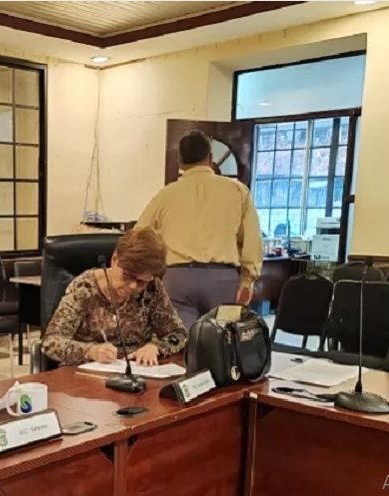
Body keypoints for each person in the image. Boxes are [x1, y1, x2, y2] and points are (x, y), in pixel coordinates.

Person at [136, 130, 263, 330]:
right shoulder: (238, 191)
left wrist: (150, 274)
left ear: (179, 162)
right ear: (211, 158)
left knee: (181, 345)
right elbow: (252, 241)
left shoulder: (165, 195)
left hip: (177, 279)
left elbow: (139, 236)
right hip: (223, 280)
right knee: (222, 344)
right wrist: (247, 280)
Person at [42, 228, 187, 367]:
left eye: (141, 281)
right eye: (128, 275)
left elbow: (179, 333)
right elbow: (52, 343)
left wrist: (155, 347)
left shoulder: (152, 287)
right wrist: (91, 351)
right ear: (114, 259)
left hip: (138, 372)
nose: (132, 286)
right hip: (88, 373)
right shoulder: (84, 289)